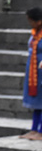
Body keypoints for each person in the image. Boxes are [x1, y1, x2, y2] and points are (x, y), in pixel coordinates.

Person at [23, 9, 42, 140]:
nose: (30, 23)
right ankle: (34, 129)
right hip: (34, 71)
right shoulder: (35, 33)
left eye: (31, 20)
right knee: (37, 101)